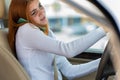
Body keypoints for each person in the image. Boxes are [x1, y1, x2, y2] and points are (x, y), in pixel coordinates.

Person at [8, 0, 107, 80]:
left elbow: (69, 72)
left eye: (40, 6)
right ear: (24, 18)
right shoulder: (26, 30)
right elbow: (68, 50)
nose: (41, 12)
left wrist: (106, 61)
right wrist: (104, 29)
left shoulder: (46, 33)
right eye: (34, 12)